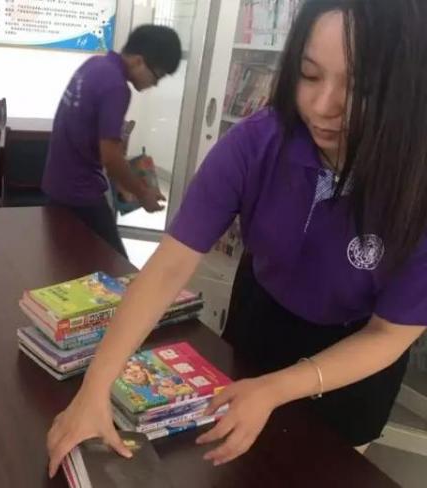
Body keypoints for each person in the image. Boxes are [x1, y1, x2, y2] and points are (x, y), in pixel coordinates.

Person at [46, 0, 427, 476]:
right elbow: (168, 268)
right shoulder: (258, 141)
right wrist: (95, 387)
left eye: (360, 88)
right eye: (309, 75)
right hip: (258, 322)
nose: (321, 106)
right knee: (233, 465)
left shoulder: (415, 184)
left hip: (352, 358)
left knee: (320, 470)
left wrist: (276, 388)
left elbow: (389, 335)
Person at [42, 25, 182, 257]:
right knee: (117, 267)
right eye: (157, 76)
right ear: (138, 61)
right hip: (80, 193)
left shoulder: (94, 65)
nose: (155, 84)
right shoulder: (117, 87)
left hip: (57, 185)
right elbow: (111, 158)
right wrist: (142, 194)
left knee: (69, 262)